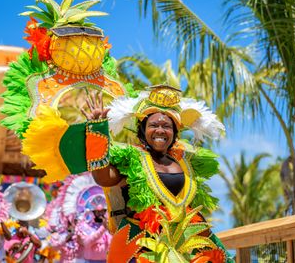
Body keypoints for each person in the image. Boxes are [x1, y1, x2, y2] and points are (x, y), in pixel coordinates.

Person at [79, 85, 233, 262]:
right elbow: (104, 178)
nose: (160, 130)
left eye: (166, 126)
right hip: (139, 244)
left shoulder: (187, 163)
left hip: (186, 242)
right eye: (153, 125)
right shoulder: (132, 158)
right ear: (143, 130)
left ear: (174, 133)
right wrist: (97, 133)